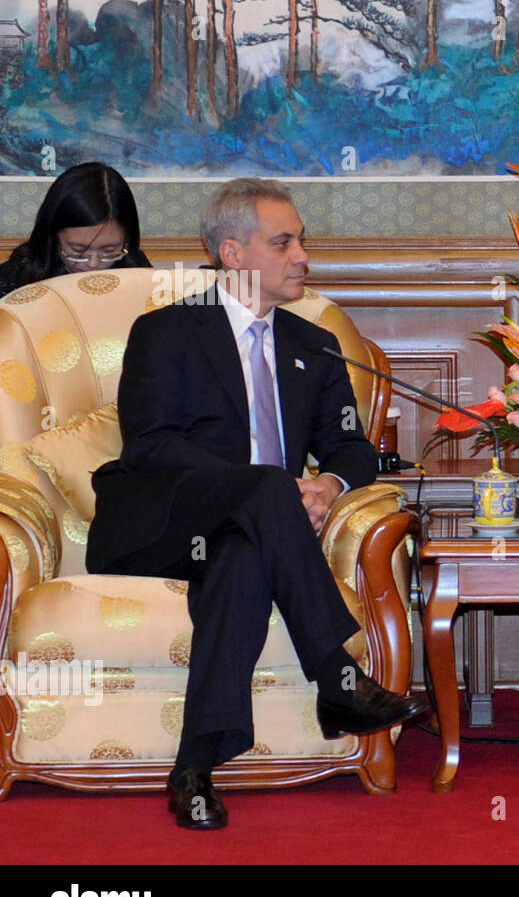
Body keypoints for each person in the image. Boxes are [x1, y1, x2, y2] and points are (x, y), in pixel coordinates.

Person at [86, 178, 426, 830]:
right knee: (269, 482)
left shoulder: (315, 347)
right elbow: (151, 444)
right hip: (157, 522)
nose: (303, 256)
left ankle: (193, 770)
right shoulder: (166, 331)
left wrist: (328, 485)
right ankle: (337, 677)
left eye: (302, 241)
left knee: (242, 558)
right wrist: (257, 485)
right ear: (234, 255)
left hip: (244, 533)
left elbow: (352, 447)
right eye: (284, 242)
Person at [0, 162, 151, 297]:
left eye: (109, 251)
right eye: (78, 250)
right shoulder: (13, 279)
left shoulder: (139, 272)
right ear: (54, 236)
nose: (93, 264)